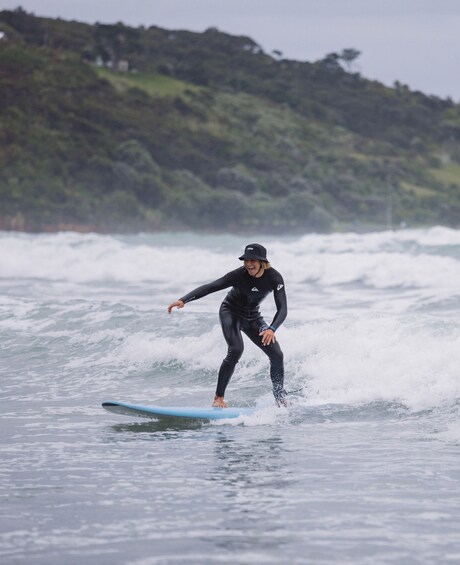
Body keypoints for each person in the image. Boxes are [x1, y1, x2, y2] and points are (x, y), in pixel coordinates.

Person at [167, 243, 287, 408]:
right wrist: (183, 300)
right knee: (236, 349)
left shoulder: (274, 278)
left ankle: (280, 398)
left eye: (253, 260)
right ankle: (218, 398)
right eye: (246, 260)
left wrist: (271, 329)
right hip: (230, 312)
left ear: (262, 262)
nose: (249, 264)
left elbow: (283, 308)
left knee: (277, 354)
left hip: (253, 317)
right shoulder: (238, 275)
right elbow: (211, 287)